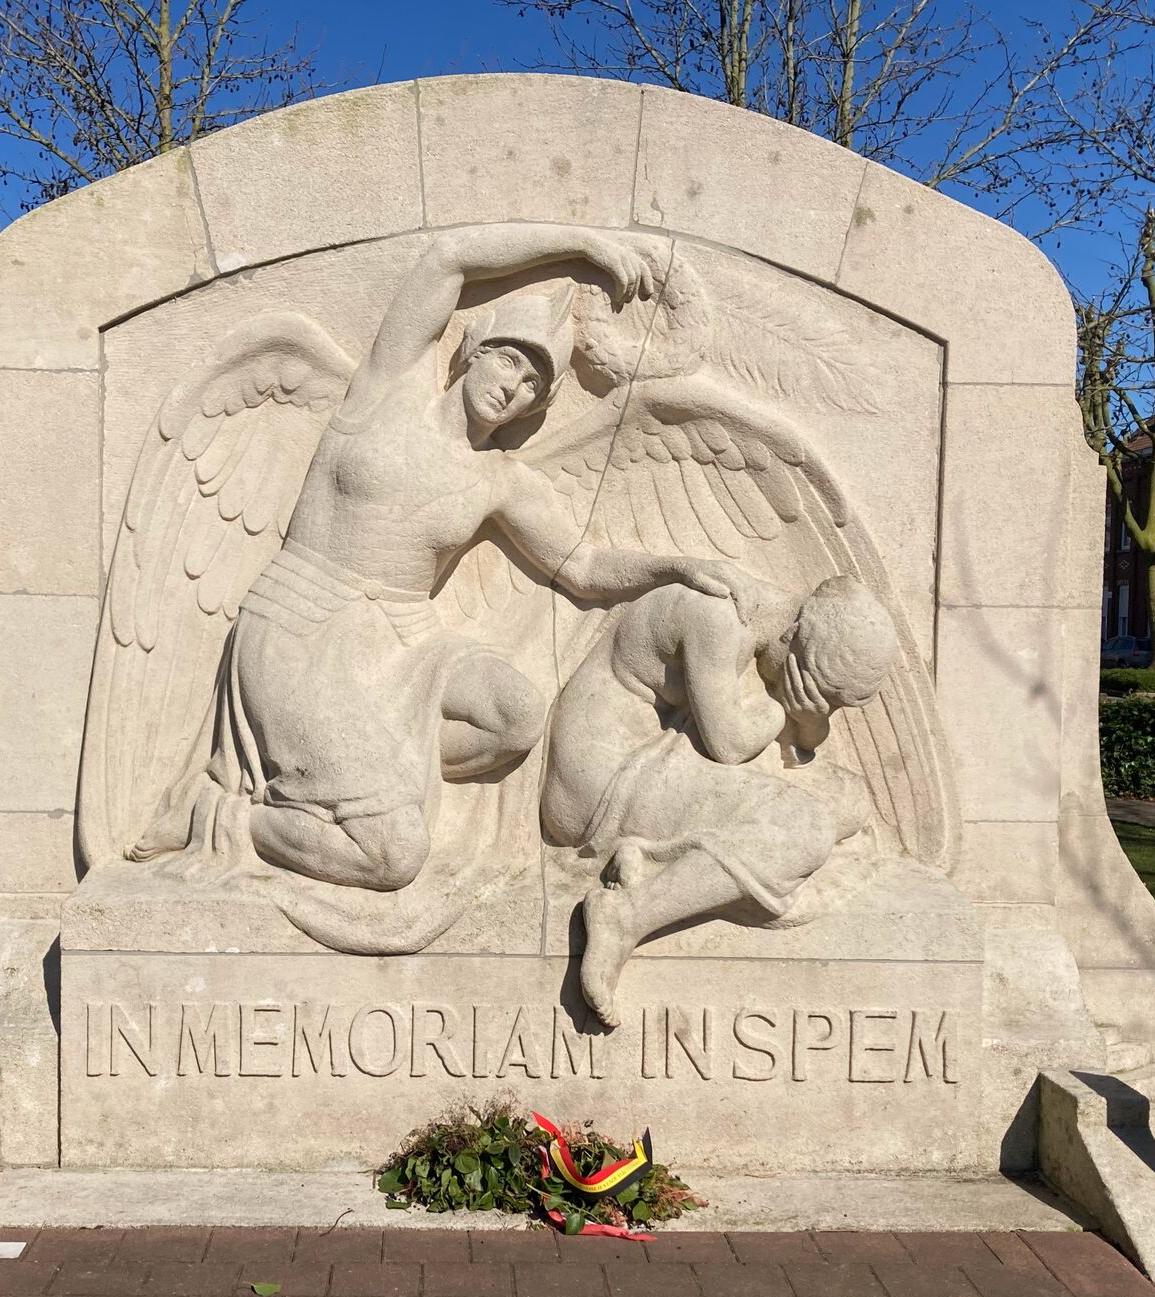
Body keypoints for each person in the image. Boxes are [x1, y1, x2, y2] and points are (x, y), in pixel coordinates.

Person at [138, 225, 755, 892]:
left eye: (533, 384)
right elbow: (447, 259)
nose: (514, 387)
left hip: (404, 641)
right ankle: (215, 816)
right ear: (473, 350)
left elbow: (581, 564)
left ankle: (371, 765)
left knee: (516, 715)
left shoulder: (501, 480)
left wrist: (675, 568)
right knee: (391, 854)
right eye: (509, 361)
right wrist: (580, 246)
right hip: (301, 625)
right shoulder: (388, 389)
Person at [541, 575, 900, 1027]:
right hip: (602, 781)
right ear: (791, 636)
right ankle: (625, 917)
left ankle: (653, 860)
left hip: (662, 760)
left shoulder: (766, 632)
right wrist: (783, 707)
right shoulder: (715, 617)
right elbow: (730, 745)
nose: (819, 709)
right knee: (803, 828)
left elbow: (797, 744)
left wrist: (806, 717)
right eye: (812, 693)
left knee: (849, 801)